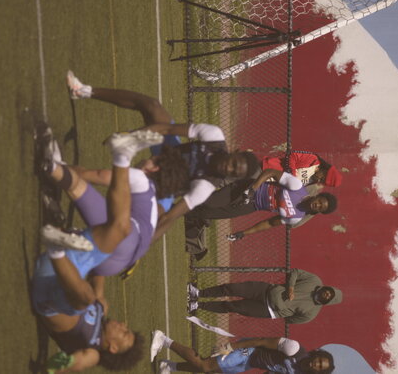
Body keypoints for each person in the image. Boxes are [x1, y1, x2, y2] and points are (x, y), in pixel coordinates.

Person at [66, 71, 260, 243]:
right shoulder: (214, 136)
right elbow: (167, 129)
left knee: (148, 216)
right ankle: (82, 91)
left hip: (163, 186)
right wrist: (131, 138)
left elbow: (170, 217)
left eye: (234, 173)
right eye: (234, 163)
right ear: (235, 152)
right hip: (168, 153)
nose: (228, 168)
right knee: (152, 106)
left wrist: (143, 244)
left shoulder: (206, 186)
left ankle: (93, 238)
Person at [32, 129, 162, 372]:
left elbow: (80, 361)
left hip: (47, 295)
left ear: (112, 347)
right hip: (64, 266)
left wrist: (57, 367)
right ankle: (121, 155)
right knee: (118, 231)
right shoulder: (102, 307)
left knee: (85, 299)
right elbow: (99, 272)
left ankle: (58, 245)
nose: (123, 325)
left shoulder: (93, 350)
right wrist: (104, 249)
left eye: (124, 333)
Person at [37, 124, 189, 277]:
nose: (146, 158)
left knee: (77, 185)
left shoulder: (141, 179)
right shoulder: (152, 209)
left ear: (154, 168)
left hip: (123, 236)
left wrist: (64, 169)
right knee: (77, 247)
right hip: (116, 265)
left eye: (152, 158)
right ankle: (62, 225)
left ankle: (52, 165)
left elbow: (96, 175)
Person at [185, 168, 338, 243]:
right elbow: (270, 172)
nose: (317, 205)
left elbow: (270, 223)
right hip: (248, 189)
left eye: (320, 208)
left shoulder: (296, 217)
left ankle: (185, 213)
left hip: (252, 206)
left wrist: (244, 233)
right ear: (317, 196)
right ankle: (183, 192)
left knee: (208, 213)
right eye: (320, 202)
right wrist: (253, 188)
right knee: (210, 202)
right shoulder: (297, 187)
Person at [186, 268, 342, 324]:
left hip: (267, 310)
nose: (327, 293)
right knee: (232, 288)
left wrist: (282, 308)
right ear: (328, 287)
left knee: (232, 306)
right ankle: (198, 293)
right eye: (329, 291)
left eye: (329, 297)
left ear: (328, 301)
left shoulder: (312, 313)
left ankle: (197, 305)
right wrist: (290, 287)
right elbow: (295, 272)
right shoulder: (314, 281)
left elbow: (291, 320)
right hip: (266, 290)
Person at [149, 330, 335, 374]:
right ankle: (163, 339)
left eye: (320, 367)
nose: (316, 364)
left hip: (250, 363)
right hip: (248, 351)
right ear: (317, 354)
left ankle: (168, 366)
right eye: (319, 360)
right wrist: (231, 347)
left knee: (211, 370)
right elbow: (261, 341)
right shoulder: (294, 349)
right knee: (206, 365)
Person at [262, 150, 342, 187]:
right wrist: (292, 175)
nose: (318, 180)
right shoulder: (313, 159)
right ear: (325, 170)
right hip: (266, 168)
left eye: (321, 181)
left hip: (267, 182)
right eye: (322, 178)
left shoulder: (312, 180)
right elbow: (292, 155)